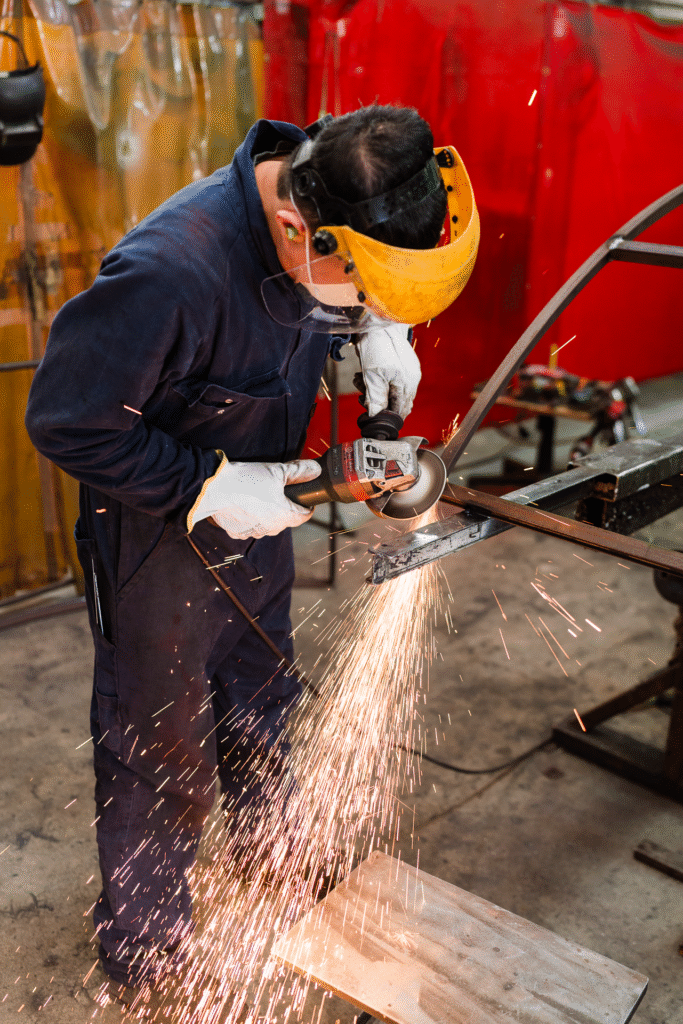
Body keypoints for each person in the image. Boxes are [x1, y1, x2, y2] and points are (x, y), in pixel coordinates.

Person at [25, 105, 478, 997]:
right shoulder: (169, 273)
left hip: (264, 511)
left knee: (264, 695)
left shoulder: (338, 169)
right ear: (290, 228)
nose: (360, 303)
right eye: (361, 289)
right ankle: (146, 940)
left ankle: (274, 855)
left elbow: (358, 238)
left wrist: (378, 325)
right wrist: (208, 487)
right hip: (159, 534)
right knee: (161, 746)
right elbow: (65, 422)